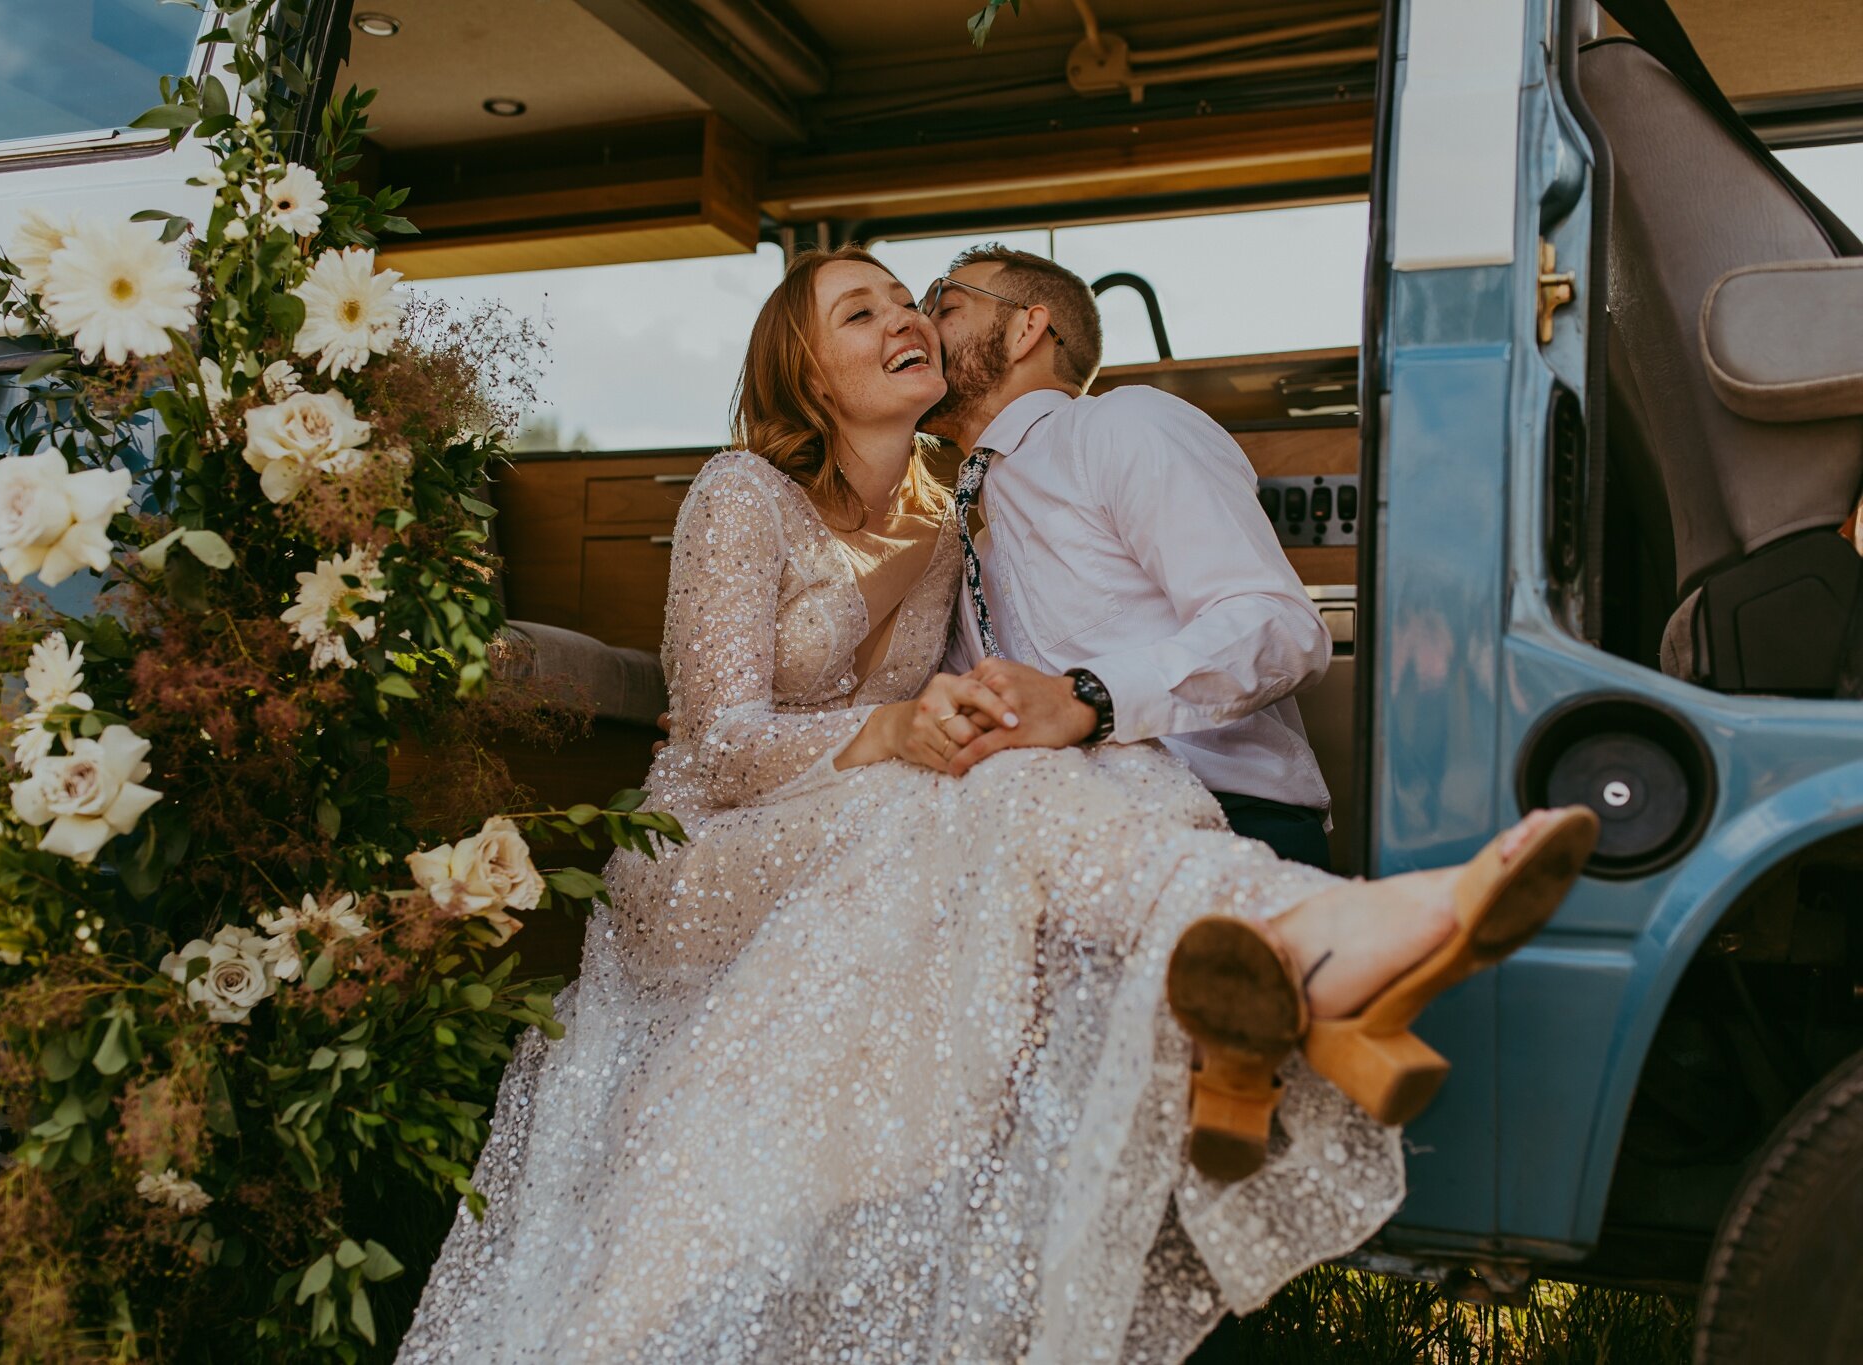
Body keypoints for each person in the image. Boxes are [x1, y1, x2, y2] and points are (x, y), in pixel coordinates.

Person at [397, 247, 1596, 1364]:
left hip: (1088, 809)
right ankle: (1313, 951)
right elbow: (720, 743)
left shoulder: (1020, 477)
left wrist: (1042, 707)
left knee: (1055, 773)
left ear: (1029, 329)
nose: (911, 316)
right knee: (1032, 779)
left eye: (932, 300)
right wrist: (907, 733)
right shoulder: (750, 493)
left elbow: (1242, 638)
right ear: (803, 371)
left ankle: (1276, 973)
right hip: (730, 843)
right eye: (865, 310)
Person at [923, 244, 1336, 872]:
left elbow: (1282, 629)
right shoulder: (977, 543)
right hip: (1062, 837)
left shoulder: (1122, 426)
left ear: (1025, 329)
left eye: (946, 306)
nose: (921, 326)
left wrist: (1087, 699)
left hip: (1228, 827)